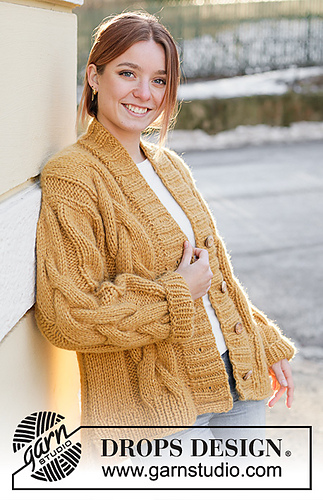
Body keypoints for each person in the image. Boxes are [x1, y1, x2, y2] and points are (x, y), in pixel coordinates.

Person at [35, 11, 295, 464]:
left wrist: (263, 340)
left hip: (239, 386)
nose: (144, 93)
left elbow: (212, 279)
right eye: (127, 73)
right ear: (94, 77)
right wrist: (176, 295)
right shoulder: (73, 176)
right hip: (158, 414)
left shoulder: (169, 166)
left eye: (159, 80)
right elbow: (69, 315)